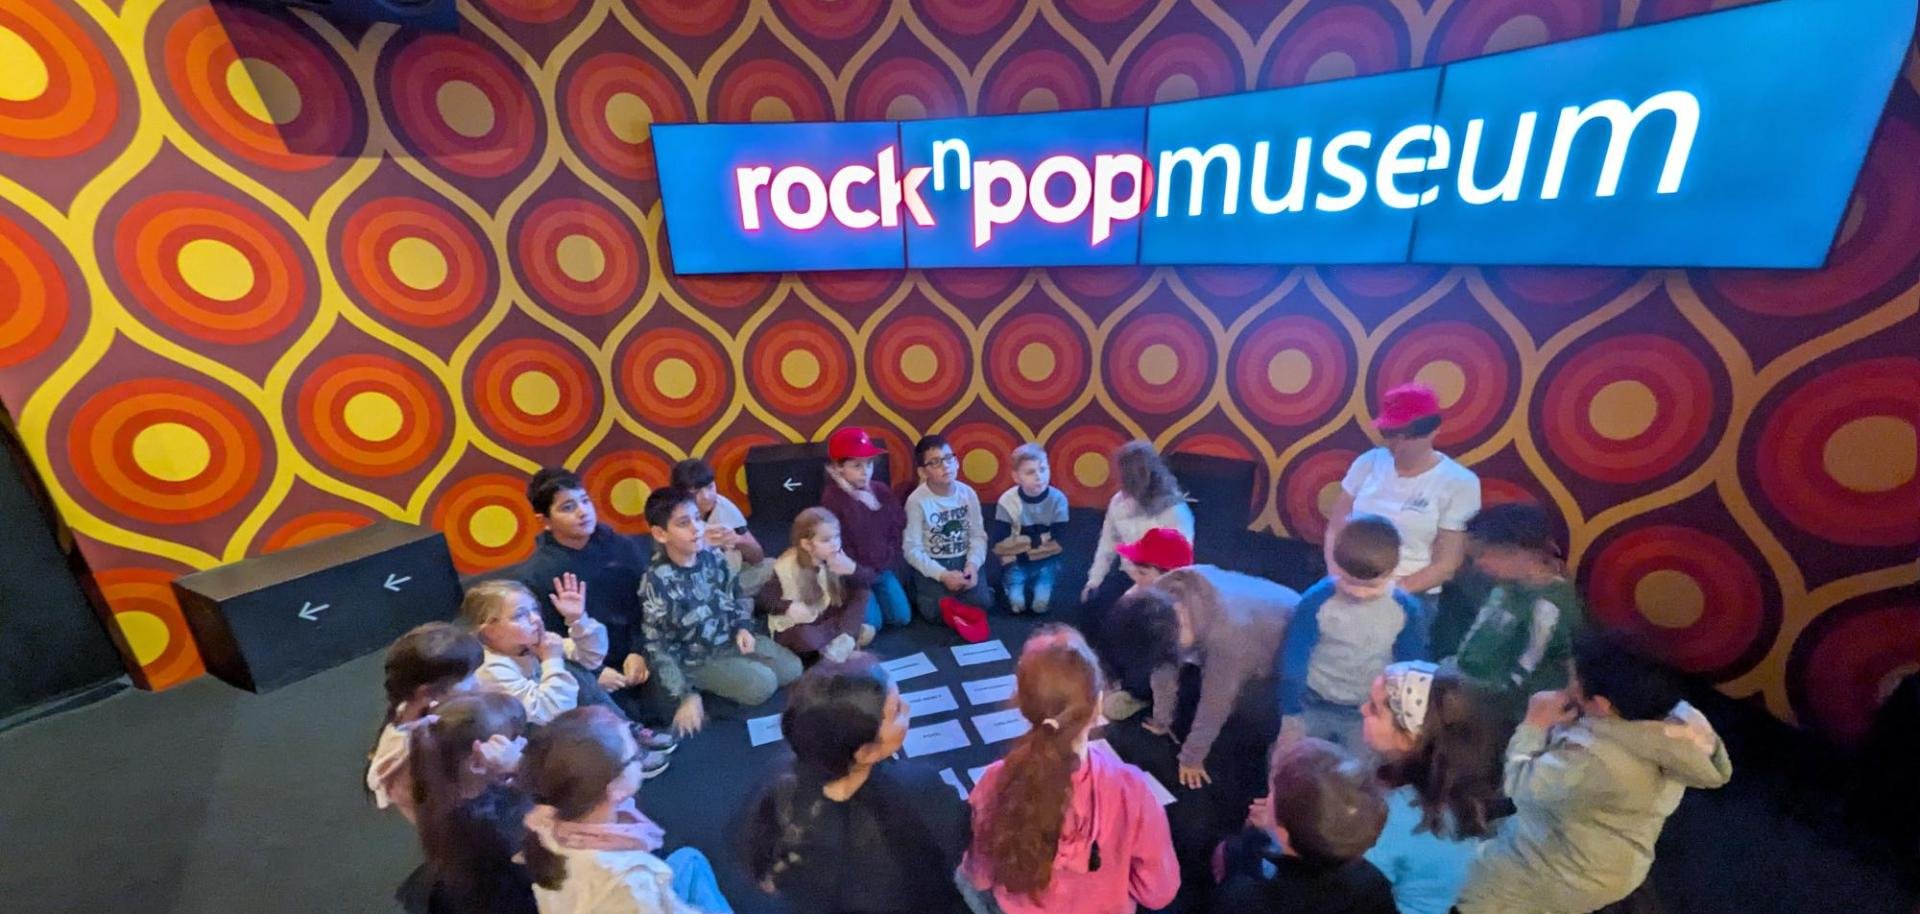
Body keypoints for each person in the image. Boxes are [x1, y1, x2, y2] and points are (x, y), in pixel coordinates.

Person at [1453, 630, 1733, 914]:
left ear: (1602, 704)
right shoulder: (1672, 728)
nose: (1568, 686)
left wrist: (1534, 724)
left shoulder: (1598, 762)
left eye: (1573, 681)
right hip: (1613, 858)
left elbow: (1521, 787)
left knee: (1465, 884)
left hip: (1564, 871)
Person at [960, 626, 1179, 914]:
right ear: (1097, 706)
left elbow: (980, 874)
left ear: (1022, 706)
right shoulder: (1131, 790)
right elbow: (1158, 892)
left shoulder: (995, 781)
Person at [742, 654, 971, 914]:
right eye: (896, 710)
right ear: (865, 752)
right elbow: (958, 846)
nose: (907, 708)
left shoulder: (776, 786)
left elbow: (767, 871)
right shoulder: (921, 791)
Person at [521, 707, 734, 914]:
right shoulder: (631, 879)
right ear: (614, 788)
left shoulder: (543, 820)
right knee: (690, 861)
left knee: (690, 859)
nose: (640, 757)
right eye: (636, 755)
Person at [516, 467, 677, 739]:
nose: (583, 512)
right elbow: (549, 638)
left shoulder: (622, 546)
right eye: (568, 507)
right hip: (588, 667)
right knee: (609, 727)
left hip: (641, 649)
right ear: (545, 521)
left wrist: (638, 650)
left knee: (672, 706)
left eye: (585, 501)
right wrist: (597, 672)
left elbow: (648, 604)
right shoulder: (538, 574)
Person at [641, 487, 803, 737]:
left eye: (697, 519)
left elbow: (735, 595)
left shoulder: (711, 556)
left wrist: (743, 627)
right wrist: (684, 694)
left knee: (793, 669)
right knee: (763, 684)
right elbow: (657, 646)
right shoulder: (657, 582)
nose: (696, 528)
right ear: (660, 534)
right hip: (698, 659)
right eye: (684, 523)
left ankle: (737, 671)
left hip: (730, 639)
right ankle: (704, 691)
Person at [1323, 383, 1481, 635]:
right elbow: (1336, 527)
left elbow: (1446, 563)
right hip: (1347, 580)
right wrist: (1336, 576)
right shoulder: (1368, 463)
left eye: (1408, 435)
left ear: (1433, 430)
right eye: (1390, 433)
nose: (1397, 444)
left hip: (1411, 592)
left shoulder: (1459, 482)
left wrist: (1384, 592)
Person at [1359, 662, 1505, 914]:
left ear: (1408, 738)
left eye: (1374, 708)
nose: (1362, 709)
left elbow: (1352, 886)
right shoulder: (1466, 787)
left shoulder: (1395, 815)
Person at [1275, 515, 1428, 753]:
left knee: (1359, 770)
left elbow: (1411, 665)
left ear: (1392, 571)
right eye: (1349, 582)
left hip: (1365, 712)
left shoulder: (1405, 610)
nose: (1359, 593)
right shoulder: (1317, 601)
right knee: (1293, 760)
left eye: (1371, 586)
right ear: (1335, 566)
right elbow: (1294, 658)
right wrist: (1291, 715)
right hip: (1312, 704)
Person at [1212, 739, 1395, 914]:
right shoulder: (1374, 885)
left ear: (1283, 834)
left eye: (1272, 793)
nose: (1267, 799)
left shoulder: (1247, 900)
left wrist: (1245, 845)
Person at [1445, 502, 1585, 713]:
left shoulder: (1549, 606)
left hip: (1514, 710)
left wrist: (1464, 694)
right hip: (1470, 688)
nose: (1478, 563)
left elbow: (1522, 673)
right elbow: (1473, 642)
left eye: (1484, 554)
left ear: (1520, 551)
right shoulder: (1504, 587)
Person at [405, 692, 537, 914]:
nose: (523, 743)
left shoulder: (441, 796)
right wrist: (520, 768)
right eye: (513, 739)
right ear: (477, 762)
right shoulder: (498, 825)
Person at [369, 622, 483, 823]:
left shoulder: (415, 712)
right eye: (468, 678)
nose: (478, 683)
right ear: (427, 692)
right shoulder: (417, 751)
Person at [819, 426, 913, 634]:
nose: (866, 472)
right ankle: (848, 603)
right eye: (857, 465)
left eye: (869, 464)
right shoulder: (832, 499)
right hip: (854, 575)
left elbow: (899, 524)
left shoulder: (880, 490)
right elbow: (841, 545)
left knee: (901, 617)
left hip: (882, 569)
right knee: (872, 625)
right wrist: (857, 502)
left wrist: (876, 507)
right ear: (838, 468)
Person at [1081, 441, 1195, 608]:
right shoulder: (1118, 502)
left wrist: (1141, 590)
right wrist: (1094, 581)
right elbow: (1108, 543)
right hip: (1127, 574)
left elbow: (1178, 567)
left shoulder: (1175, 511)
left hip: (1161, 587)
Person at [1097, 527, 1194, 723]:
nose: (1134, 576)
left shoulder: (1183, 612)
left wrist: (1161, 716)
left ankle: (1141, 699)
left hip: (1168, 675)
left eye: (1142, 572)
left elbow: (1168, 666)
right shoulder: (1140, 593)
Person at [757, 508, 875, 662]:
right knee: (806, 638)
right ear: (806, 544)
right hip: (799, 626)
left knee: (861, 590)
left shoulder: (838, 556)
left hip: (825, 619)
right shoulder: (787, 565)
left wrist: (852, 570)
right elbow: (764, 598)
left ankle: (843, 639)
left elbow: (868, 582)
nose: (835, 544)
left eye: (837, 537)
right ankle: (847, 636)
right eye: (826, 540)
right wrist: (788, 607)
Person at [902, 434, 992, 630]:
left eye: (949, 458)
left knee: (983, 603)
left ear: (957, 462)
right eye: (935, 463)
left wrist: (973, 565)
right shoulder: (916, 501)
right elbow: (911, 549)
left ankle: (957, 602)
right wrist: (942, 575)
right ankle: (924, 593)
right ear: (923, 471)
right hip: (935, 562)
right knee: (933, 612)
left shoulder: (968, 494)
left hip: (963, 559)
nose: (946, 466)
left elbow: (978, 535)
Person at [672, 458, 773, 610]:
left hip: (731, 578)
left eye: (710, 487)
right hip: (694, 584)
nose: (707, 496)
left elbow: (758, 557)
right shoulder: (674, 517)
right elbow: (674, 569)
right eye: (696, 492)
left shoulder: (724, 507)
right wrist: (701, 543)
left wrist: (738, 540)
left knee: (775, 567)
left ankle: (736, 601)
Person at [991, 442, 1070, 614]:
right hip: (1016, 564)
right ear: (1016, 477)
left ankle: (1040, 590)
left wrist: (1020, 550)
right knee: (1016, 604)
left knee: (1040, 604)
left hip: (1045, 561)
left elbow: (1059, 543)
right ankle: (1013, 588)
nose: (1039, 476)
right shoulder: (1008, 500)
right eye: (1030, 472)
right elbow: (999, 545)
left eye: (1043, 469)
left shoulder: (1058, 500)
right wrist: (1039, 539)